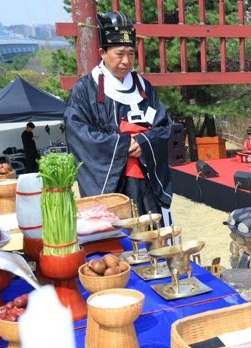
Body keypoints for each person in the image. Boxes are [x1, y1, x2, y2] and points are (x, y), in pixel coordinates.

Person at [64, 11, 172, 217]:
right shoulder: (86, 89)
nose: (126, 61)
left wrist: (144, 142)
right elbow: (77, 132)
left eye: (131, 53)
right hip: (111, 184)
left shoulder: (144, 87)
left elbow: (165, 126)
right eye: (119, 54)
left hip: (146, 182)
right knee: (115, 231)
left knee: (151, 229)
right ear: (102, 52)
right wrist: (121, 145)